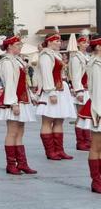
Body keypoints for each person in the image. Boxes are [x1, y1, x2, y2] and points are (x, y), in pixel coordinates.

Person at [0, 35, 37, 176]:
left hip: (22, 99)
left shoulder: (17, 60)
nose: (20, 46)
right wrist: (13, 103)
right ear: (10, 46)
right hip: (13, 100)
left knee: (20, 131)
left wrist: (31, 96)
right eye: (18, 44)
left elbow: (23, 82)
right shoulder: (7, 61)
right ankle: (11, 164)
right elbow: (9, 83)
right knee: (12, 132)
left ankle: (22, 163)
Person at [36, 31, 76, 160]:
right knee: (48, 121)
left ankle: (59, 150)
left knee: (59, 120)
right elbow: (47, 74)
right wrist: (51, 92)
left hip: (61, 89)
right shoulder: (45, 55)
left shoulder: (55, 55)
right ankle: (50, 151)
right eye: (57, 41)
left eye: (60, 41)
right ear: (49, 41)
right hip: (51, 91)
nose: (60, 43)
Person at [79, 36, 101, 193]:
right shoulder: (95, 64)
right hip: (98, 107)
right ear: (98, 47)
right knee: (96, 145)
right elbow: (97, 90)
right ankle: (96, 181)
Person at [70, 34, 91, 151]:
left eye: (87, 42)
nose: (86, 45)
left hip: (89, 89)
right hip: (82, 89)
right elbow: (76, 76)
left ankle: (87, 140)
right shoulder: (76, 57)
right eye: (83, 42)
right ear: (78, 44)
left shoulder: (87, 56)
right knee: (81, 116)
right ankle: (80, 142)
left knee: (87, 116)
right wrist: (78, 91)